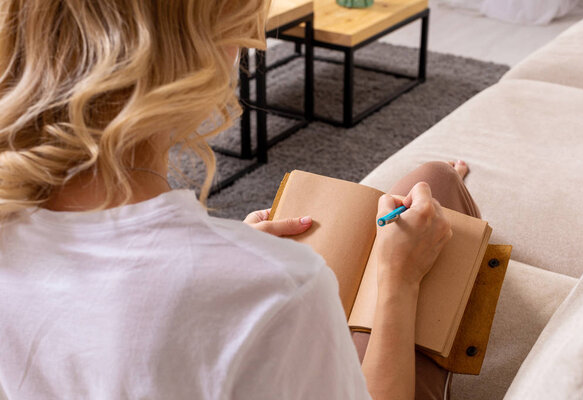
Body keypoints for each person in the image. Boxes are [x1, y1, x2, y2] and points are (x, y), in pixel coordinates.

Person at [0, 1, 480, 399]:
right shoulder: (273, 287)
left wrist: (218, 258)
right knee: (434, 183)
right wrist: (399, 279)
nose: (254, 43)